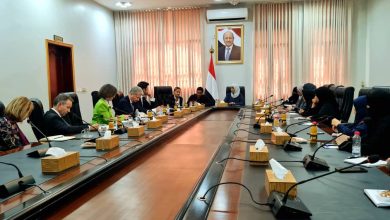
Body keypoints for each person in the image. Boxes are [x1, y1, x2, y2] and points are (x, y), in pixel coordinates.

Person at [362, 88, 390, 159]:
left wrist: (350, 146)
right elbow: (368, 140)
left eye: (370, 105)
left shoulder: (386, 122)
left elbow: (372, 148)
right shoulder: (376, 118)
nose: (368, 107)